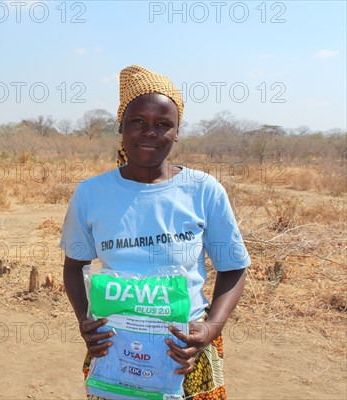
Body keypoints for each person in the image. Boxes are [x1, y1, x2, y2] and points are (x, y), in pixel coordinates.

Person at [60, 65, 250, 399]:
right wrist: (84, 322)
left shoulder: (203, 190)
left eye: (163, 124)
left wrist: (209, 329)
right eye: (138, 121)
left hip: (186, 350)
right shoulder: (91, 194)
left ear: (177, 131)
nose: (150, 132)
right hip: (113, 348)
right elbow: (74, 266)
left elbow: (234, 268)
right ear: (121, 126)